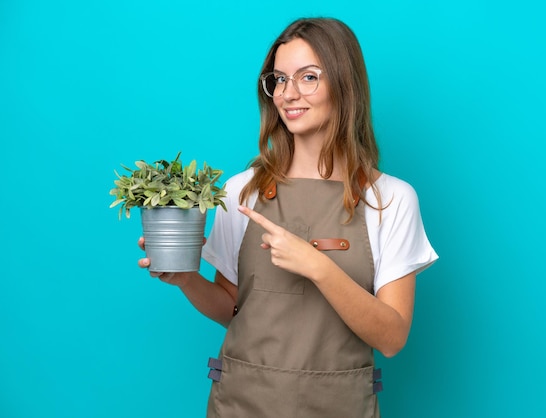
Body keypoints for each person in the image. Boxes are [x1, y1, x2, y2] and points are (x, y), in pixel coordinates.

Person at [138, 17, 438, 418]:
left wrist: (319, 268)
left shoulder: (391, 199)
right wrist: (186, 280)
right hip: (241, 404)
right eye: (279, 79)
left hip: (339, 407)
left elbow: (392, 337)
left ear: (345, 85)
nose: (288, 94)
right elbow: (232, 307)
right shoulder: (241, 191)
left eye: (308, 77)